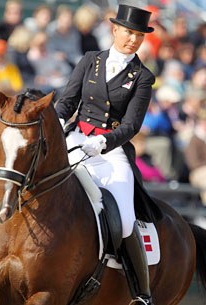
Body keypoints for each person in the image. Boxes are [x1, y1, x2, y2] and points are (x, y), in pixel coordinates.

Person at [55, 4, 156, 305]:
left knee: (125, 219)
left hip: (111, 151)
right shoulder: (90, 60)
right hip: (75, 140)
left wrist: (103, 142)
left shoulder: (143, 76)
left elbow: (132, 125)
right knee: (37, 185)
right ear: (115, 30)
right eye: (128, 32)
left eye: (139, 35)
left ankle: (141, 293)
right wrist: (58, 124)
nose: (133, 39)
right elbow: (67, 101)